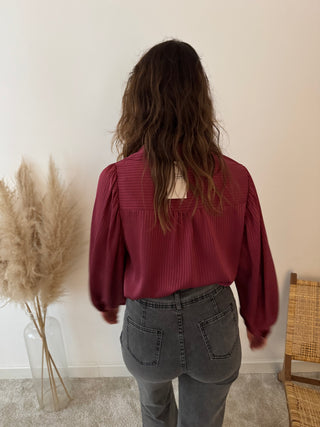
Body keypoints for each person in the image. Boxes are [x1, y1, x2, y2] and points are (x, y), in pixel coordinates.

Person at [89, 39, 279, 427]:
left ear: (140, 101)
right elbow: (253, 259)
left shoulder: (118, 180)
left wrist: (107, 299)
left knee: (155, 413)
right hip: (214, 323)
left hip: (147, 326)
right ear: (200, 101)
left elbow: (105, 254)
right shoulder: (236, 178)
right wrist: (258, 319)